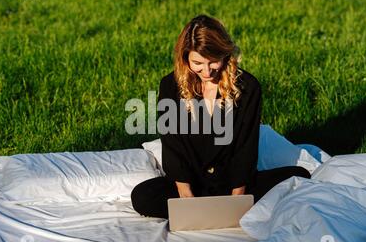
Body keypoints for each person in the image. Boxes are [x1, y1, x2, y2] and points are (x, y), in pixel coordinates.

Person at [131, 14, 310, 219]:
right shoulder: (170, 86)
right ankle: (201, 210)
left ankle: (213, 210)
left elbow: (246, 146)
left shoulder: (248, 87)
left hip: (232, 184)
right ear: (185, 58)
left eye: (213, 62)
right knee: (143, 196)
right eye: (197, 63)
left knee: (299, 177)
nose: (206, 71)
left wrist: (236, 201)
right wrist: (185, 197)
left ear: (225, 54)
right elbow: (172, 144)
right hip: (191, 186)